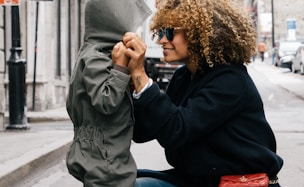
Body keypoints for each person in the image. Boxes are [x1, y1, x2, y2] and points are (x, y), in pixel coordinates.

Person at [116, 0, 283, 187]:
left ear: (198, 34)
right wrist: (131, 83)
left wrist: (140, 75)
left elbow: (176, 130)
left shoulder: (230, 81)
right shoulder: (184, 77)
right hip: (198, 180)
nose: (162, 40)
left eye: (170, 32)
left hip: (237, 182)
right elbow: (144, 131)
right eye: (160, 32)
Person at [65, 0, 151, 186]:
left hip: (103, 155)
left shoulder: (97, 52)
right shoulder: (95, 57)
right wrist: (120, 68)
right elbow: (106, 100)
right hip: (105, 162)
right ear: (112, 21)